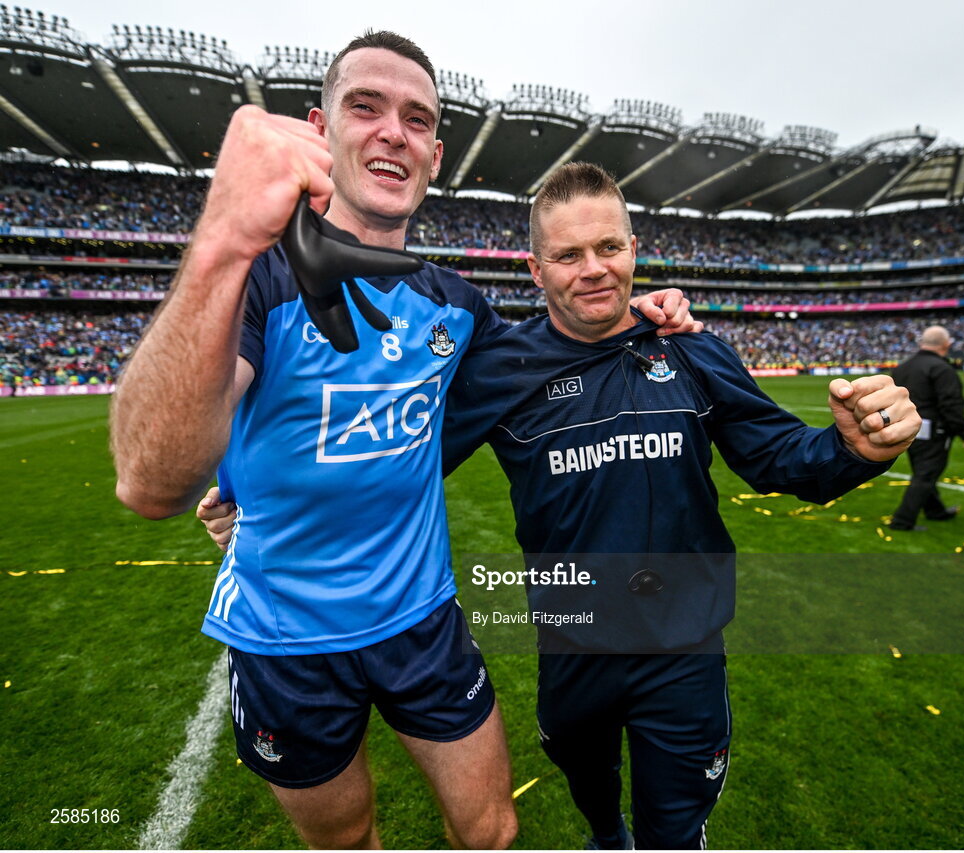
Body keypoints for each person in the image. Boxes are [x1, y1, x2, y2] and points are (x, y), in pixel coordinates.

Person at [201, 163, 920, 849]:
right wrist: (254, 501)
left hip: (685, 650)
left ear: (635, 250)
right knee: (588, 777)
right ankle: (606, 834)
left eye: (609, 246)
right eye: (569, 254)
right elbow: (388, 456)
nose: (595, 268)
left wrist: (855, 448)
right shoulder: (497, 369)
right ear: (536, 270)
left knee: (676, 831)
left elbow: (782, 459)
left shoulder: (694, 352)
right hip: (573, 641)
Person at [110, 32, 695, 850]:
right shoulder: (260, 279)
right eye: (365, 107)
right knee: (347, 841)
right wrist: (224, 242)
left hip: (422, 622)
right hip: (283, 639)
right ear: (321, 129)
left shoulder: (456, 307)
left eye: (417, 119)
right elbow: (147, 479)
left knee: (491, 831)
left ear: (435, 152)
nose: (394, 132)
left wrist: (647, 312)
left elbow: (561, 343)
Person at [889, 325, 964, 531]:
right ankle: (902, 521)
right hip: (933, 430)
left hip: (906, 428)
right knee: (926, 474)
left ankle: (935, 511)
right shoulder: (941, 368)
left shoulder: (902, 367)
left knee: (923, 470)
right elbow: (951, 405)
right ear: (946, 345)